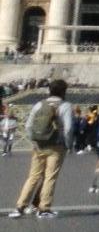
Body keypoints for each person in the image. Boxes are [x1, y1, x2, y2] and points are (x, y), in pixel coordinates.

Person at [11, 79, 73, 219]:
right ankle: (44, 208)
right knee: (50, 177)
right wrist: (68, 144)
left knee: (33, 177)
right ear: (64, 91)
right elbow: (68, 129)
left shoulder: (39, 104)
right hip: (56, 146)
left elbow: (28, 126)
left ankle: (20, 206)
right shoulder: (65, 106)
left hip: (39, 146)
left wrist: (35, 140)